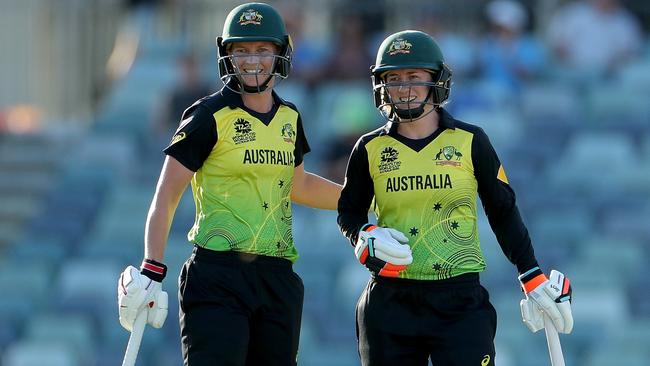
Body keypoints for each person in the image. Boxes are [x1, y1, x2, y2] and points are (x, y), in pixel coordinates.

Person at [117, 3, 342, 365]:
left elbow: (298, 185)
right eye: (242, 51)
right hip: (217, 276)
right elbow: (167, 195)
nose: (252, 60)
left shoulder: (290, 117)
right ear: (227, 55)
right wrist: (152, 266)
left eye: (262, 50)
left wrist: (360, 200)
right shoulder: (207, 115)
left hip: (277, 277)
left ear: (280, 52)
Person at [337, 30, 574, 366]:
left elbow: (502, 210)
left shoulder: (471, 140)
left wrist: (530, 273)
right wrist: (363, 235)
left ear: (437, 80)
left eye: (414, 77)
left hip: (459, 299)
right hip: (390, 300)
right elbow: (349, 211)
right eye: (393, 78)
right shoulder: (368, 148)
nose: (403, 88)